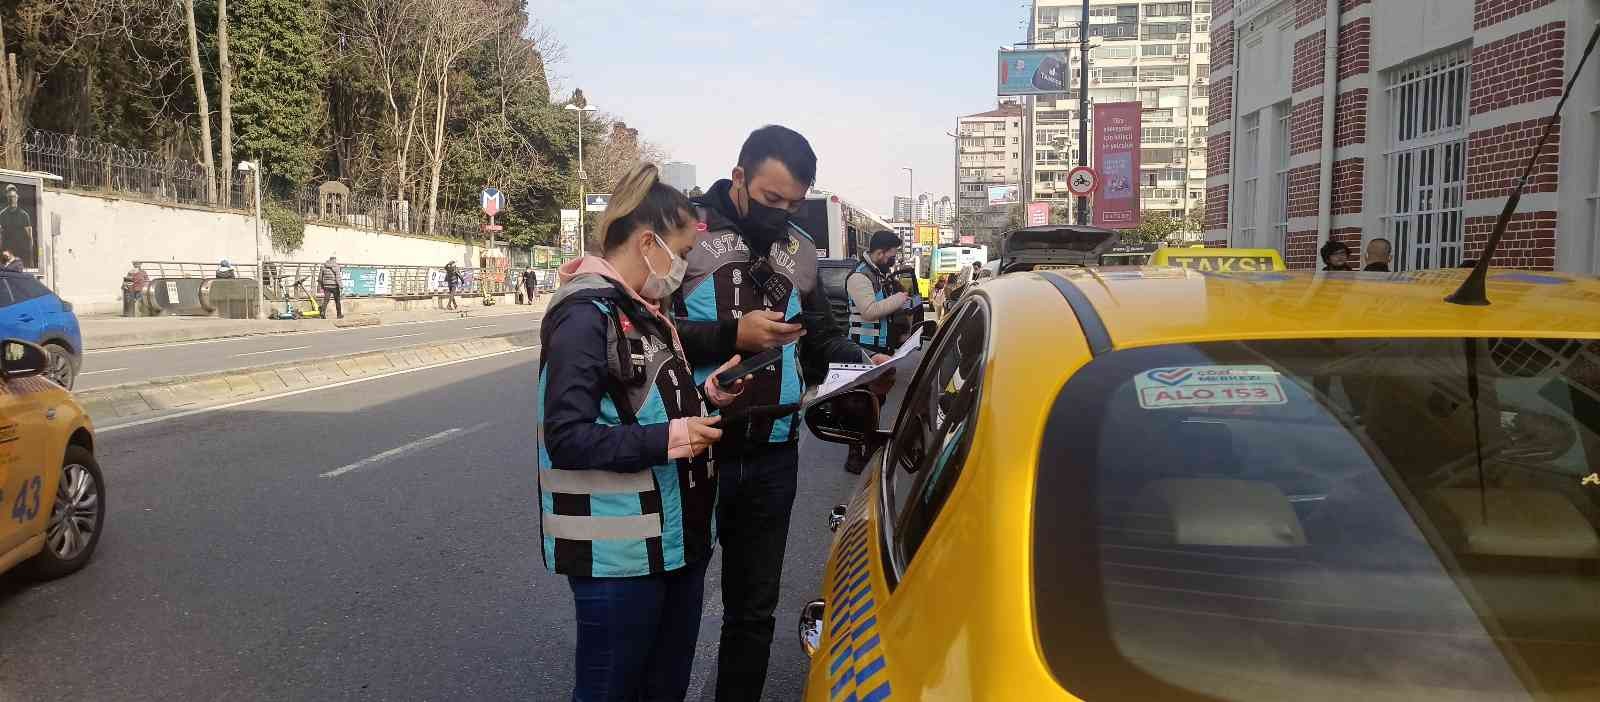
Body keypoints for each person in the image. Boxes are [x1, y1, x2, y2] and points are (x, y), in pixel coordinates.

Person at [671, 125, 887, 701]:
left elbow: (819, 341)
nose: (783, 213)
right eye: (771, 200)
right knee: (674, 601)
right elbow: (645, 333)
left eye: (794, 203)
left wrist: (868, 360)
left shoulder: (802, 251)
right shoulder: (682, 231)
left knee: (755, 609)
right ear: (738, 177)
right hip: (693, 448)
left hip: (772, 454)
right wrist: (730, 335)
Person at [539, 163, 746, 701]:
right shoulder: (585, 315)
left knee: (663, 686)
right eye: (679, 254)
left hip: (673, 544)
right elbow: (567, 437)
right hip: (617, 558)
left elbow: (643, 408)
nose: (679, 268)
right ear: (649, 243)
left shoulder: (644, 311)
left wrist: (706, 399)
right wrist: (672, 439)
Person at [0, 185, 33, 268]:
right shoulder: (2, 215)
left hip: (21, 254)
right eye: (10, 197)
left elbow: (30, 237)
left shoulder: (24, 215)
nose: (12, 199)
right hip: (7, 254)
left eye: (14, 197)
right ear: (7, 198)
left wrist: (31, 257)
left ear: (17, 197)